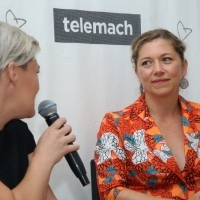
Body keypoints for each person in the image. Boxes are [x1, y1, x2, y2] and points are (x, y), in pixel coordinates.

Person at [94, 28, 200, 200]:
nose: (157, 69)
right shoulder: (115, 124)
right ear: (137, 73)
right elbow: (110, 190)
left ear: (184, 67)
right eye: (146, 63)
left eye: (166, 59)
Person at [0, 21, 79, 200]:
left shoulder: (18, 132)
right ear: (13, 72)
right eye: (36, 73)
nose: (38, 85)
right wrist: (43, 158)